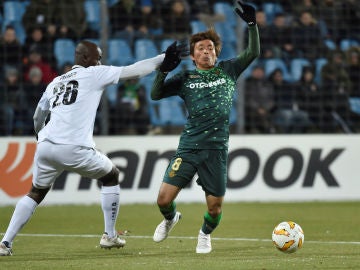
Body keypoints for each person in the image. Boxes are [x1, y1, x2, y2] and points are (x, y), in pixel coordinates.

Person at [0, 39, 185, 256]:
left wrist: (41, 137)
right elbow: (133, 71)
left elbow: (38, 116)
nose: (100, 62)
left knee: (35, 192)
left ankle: (5, 243)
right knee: (111, 175)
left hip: (46, 146)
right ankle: (109, 235)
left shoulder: (55, 82)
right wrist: (163, 58)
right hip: (74, 148)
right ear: (86, 58)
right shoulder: (93, 74)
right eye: (98, 58)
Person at [150, 1, 260, 254]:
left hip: (215, 149)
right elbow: (156, 95)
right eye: (201, 48)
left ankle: (204, 234)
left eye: (211, 48)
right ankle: (170, 219)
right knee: (163, 200)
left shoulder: (228, 70)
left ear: (216, 53)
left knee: (215, 208)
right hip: (188, 147)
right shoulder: (185, 78)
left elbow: (253, 53)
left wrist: (253, 25)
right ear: (193, 55)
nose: (207, 51)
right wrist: (163, 72)